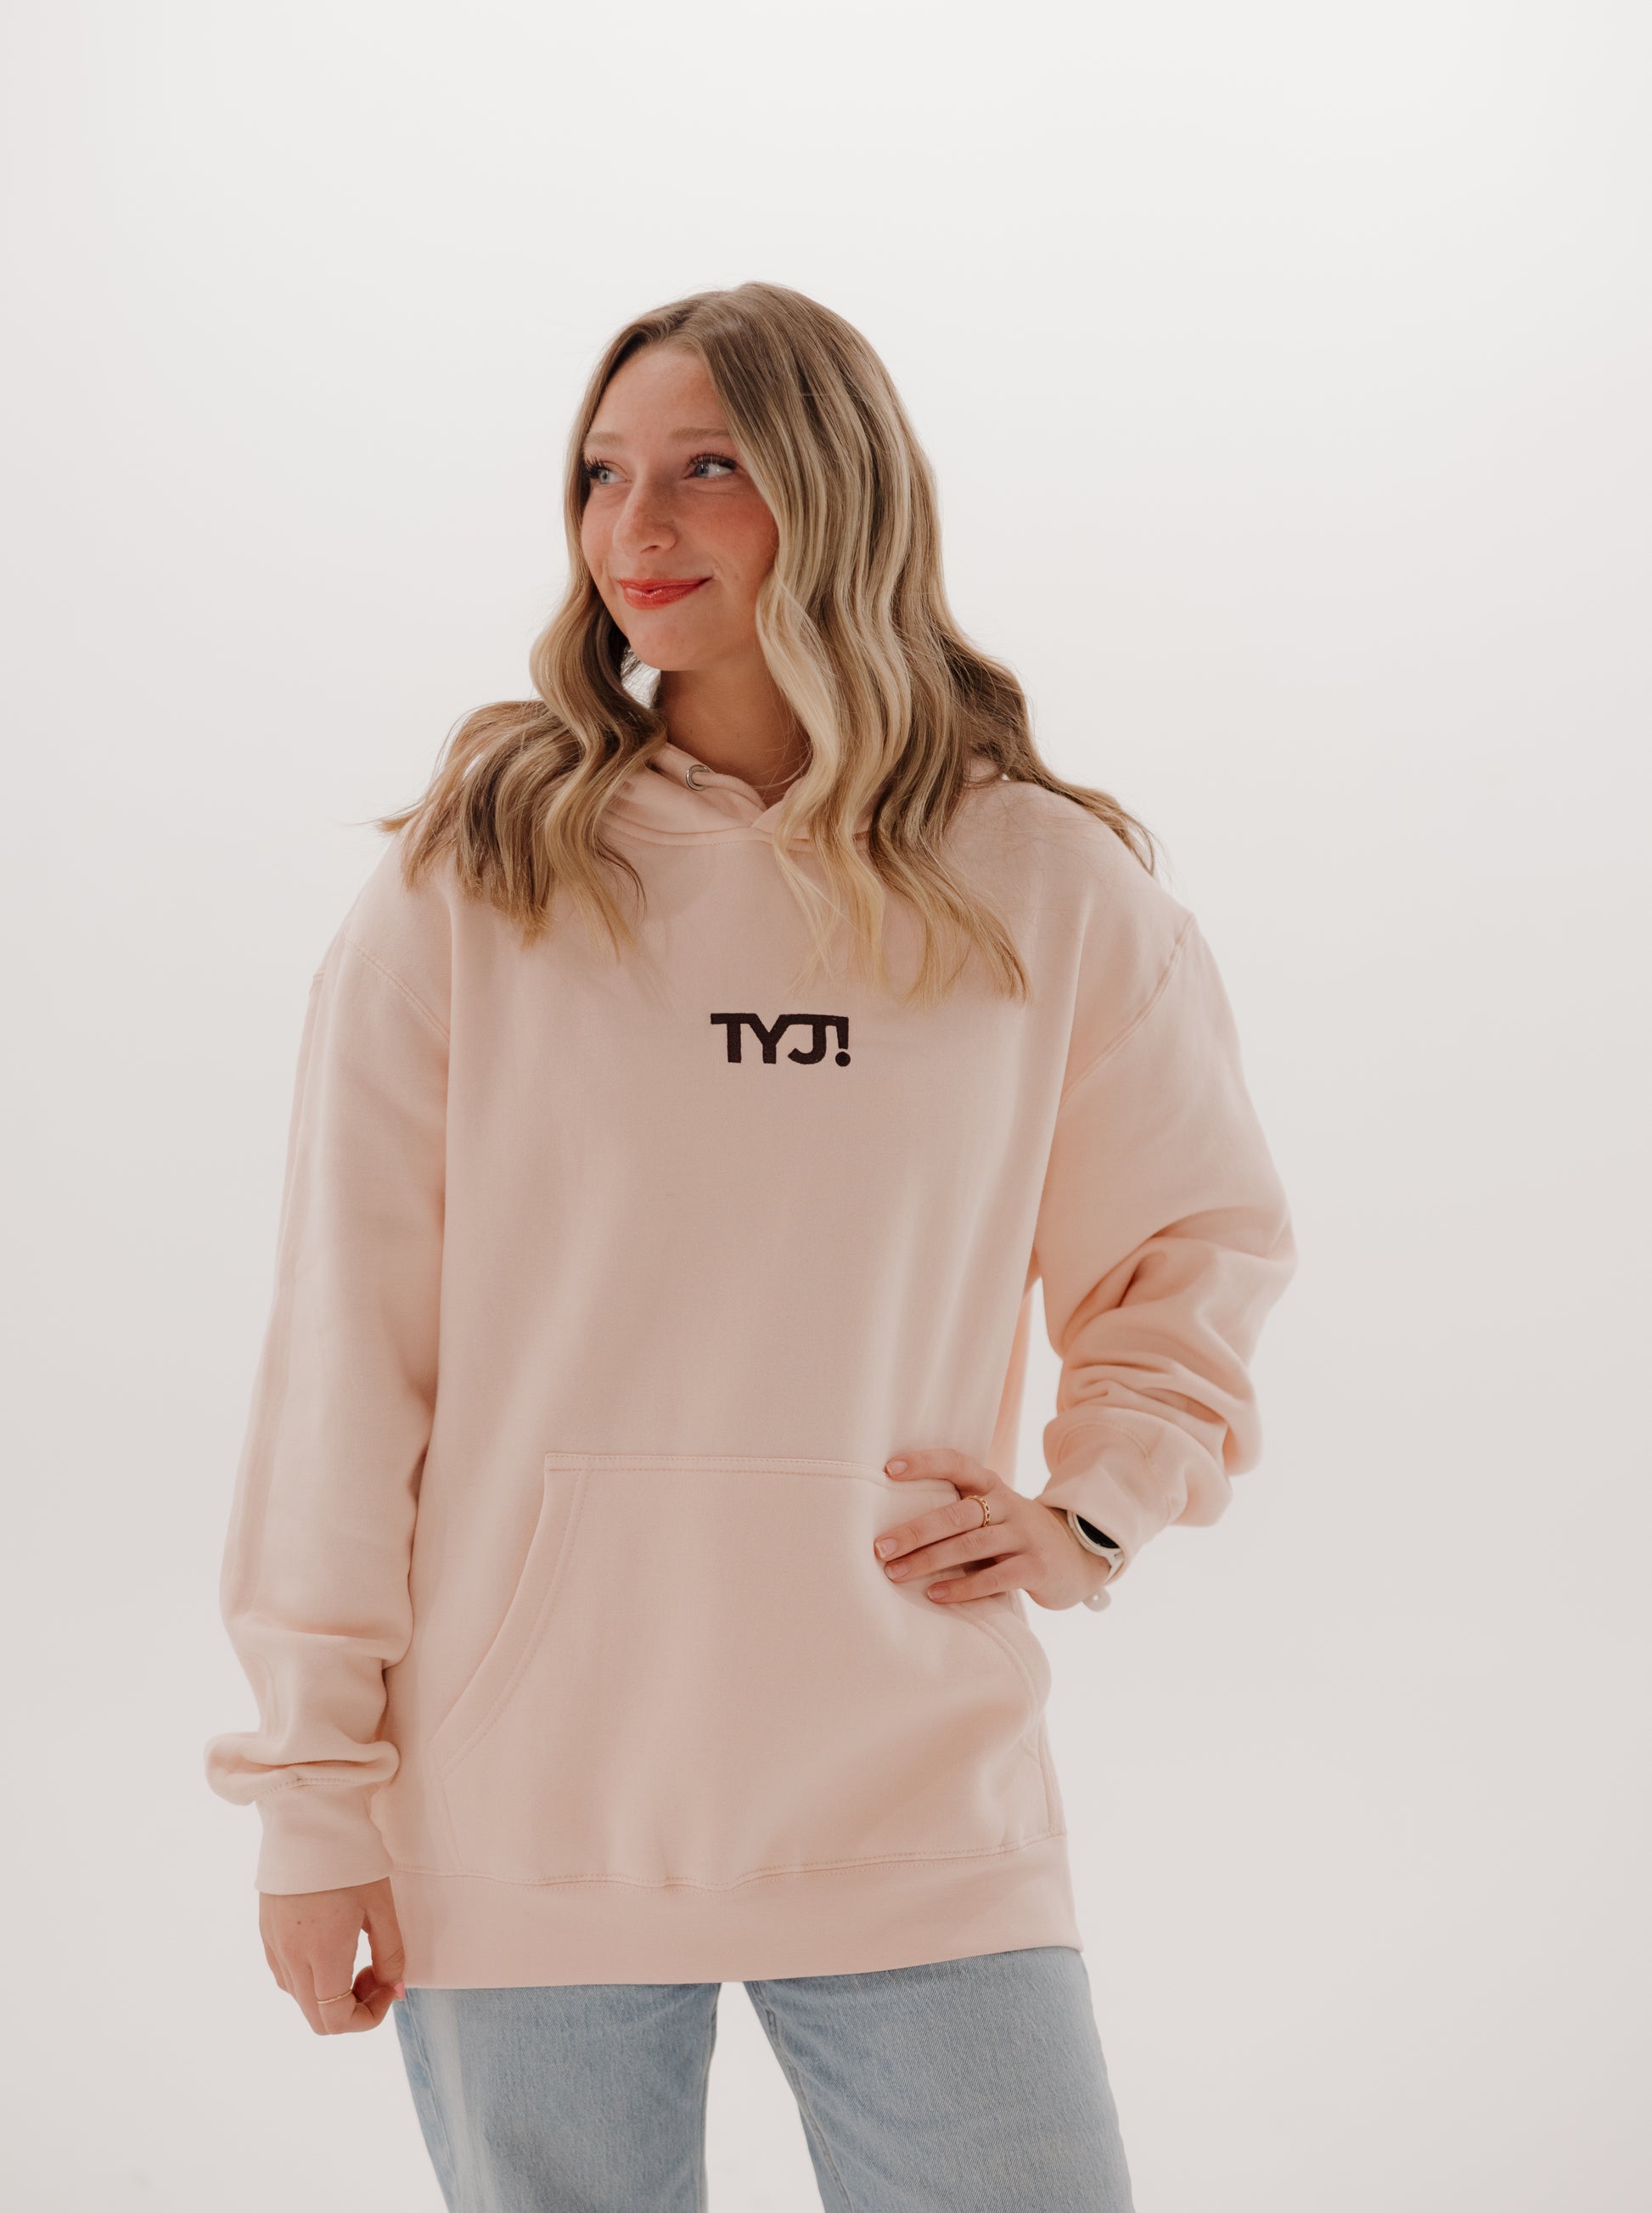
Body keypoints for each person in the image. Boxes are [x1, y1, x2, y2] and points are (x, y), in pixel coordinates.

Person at [205, 280, 1297, 2211]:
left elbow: (1185, 1252)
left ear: (836, 487)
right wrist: (313, 1797)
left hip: (909, 1775)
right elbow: (345, 1362)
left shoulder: (1046, 885)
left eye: (707, 467)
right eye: (600, 473)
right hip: (524, 1796)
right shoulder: (478, 878)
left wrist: (1092, 1510)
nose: (636, 526)